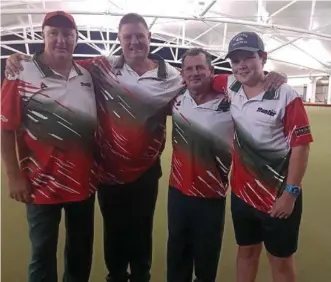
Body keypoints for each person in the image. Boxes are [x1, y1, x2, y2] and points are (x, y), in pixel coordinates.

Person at [4, 13, 287, 282]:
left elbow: (205, 78)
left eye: (139, 36)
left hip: (146, 172)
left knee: (140, 236)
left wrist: (266, 76)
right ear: (119, 39)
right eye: (128, 37)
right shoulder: (100, 68)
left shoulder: (174, 77)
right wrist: (21, 59)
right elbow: (59, 62)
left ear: (149, 37)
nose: (134, 42)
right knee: (110, 238)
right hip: (106, 172)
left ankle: (140, 277)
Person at [1, 11, 98, 282]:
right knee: (42, 259)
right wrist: (13, 176)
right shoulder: (20, 72)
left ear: (76, 38)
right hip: (39, 184)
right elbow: (5, 128)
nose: (61, 40)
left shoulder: (86, 75)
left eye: (67, 34)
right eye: (53, 33)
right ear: (42, 36)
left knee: (80, 257)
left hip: (83, 184)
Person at [213, 31, 313, 282]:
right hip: (242, 195)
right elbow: (199, 78)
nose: (241, 65)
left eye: (248, 57)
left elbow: (301, 147)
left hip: (277, 198)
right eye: (235, 61)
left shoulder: (287, 95)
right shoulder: (230, 85)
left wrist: (290, 194)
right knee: (246, 253)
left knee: (280, 263)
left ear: (263, 58)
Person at [167, 48, 232, 282]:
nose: (194, 73)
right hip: (178, 192)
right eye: (189, 69)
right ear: (182, 73)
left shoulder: (230, 101)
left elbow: (255, 84)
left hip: (211, 195)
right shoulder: (176, 99)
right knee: (177, 258)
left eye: (200, 67)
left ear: (210, 71)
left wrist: (276, 77)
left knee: (206, 262)